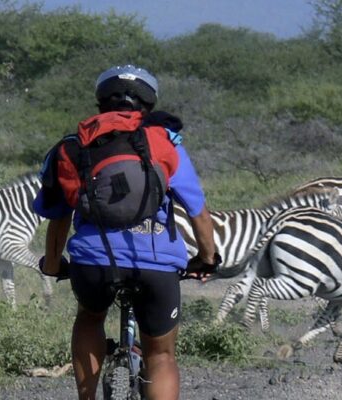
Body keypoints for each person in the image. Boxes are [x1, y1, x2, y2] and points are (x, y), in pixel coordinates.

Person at [33, 64, 220, 400]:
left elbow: (58, 218)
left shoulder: (72, 147)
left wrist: (52, 265)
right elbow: (198, 214)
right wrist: (207, 259)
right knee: (160, 355)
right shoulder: (166, 143)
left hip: (93, 262)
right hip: (157, 264)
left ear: (100, 102)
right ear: (148, 106)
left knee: (90, 319)